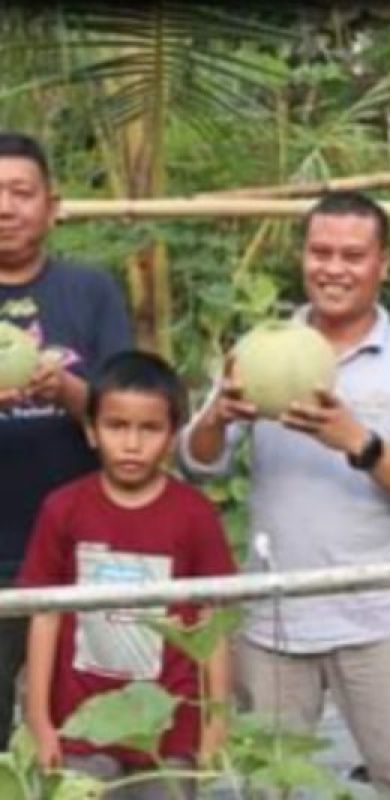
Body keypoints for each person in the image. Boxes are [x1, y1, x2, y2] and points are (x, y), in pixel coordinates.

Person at [181, 191, 390, 799]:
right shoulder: (260, 349)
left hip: (377, 616)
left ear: (383, 264)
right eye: (320, 252)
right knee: (269, 788)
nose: (334, 268)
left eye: (353, 255)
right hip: (274, 616)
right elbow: (200, 465)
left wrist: (360, 442)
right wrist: (218, 418)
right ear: (303, 256)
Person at [18, 351, 234, 799]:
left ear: (173, 436)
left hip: (171, 729)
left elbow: (214, 622)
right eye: (117, 427)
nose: (132, 444)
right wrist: (39, 719)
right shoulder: (63, 509)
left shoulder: (194, 514)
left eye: (150, 429)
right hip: (82, 723)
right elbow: (45, 616)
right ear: (90, 430)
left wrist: (216, 721)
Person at [0, 132, 133, 746]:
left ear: (52, 205)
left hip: (87, 554)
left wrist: (70, 392)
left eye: (20, 192)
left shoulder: (91, 290)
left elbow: (134, 416)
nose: (5, 207)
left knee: (94, 737)